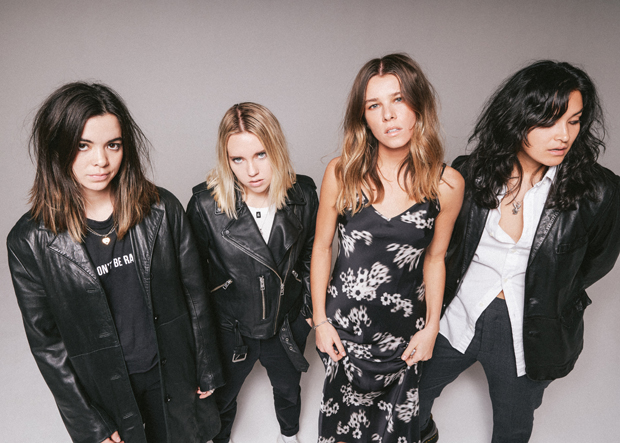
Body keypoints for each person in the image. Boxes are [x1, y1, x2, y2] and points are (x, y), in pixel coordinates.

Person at [7, 82, 223, 443]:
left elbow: (195, 295)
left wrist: (208, 368)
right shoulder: (29, 242)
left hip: (172, 373)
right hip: (105, 392)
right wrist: (89, 422)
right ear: (56, 147)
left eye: (113, 145)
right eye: (83, 145)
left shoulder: (162, 210)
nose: (101, 161)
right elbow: (47, 345)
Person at [419, 61, 620, 443]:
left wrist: (552, 288)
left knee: (513, 429)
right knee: (408, 401)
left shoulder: (600, 192)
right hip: (457, 313)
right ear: (516, 119)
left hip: (529, 328)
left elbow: (596, 262)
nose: (564, 135)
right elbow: (445, 247)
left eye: (574, 121)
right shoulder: (471, 173)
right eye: (550, 121)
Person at [311, 53, 464, 443]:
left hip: (404, 336)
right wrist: (321, 321)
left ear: (419, 106)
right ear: (363, 117)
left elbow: (435, 259)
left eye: (399, 100)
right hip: (344, 332)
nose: (389, 115)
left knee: (396, 433)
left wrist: (432, 328)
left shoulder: (447, 184)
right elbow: (322, 248)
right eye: (374, 106)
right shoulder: (341, 172)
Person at [186, 102, 318, 443]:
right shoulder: (205, 206)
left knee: (288, 390)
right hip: (231, 328)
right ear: (225, 159)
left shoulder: (303, 195)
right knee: (222, 399)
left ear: (277, 149)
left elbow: (312, 254)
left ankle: (289, 436)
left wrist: (306, 313)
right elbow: (192, 279)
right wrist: (202, 344)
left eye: (261, 154)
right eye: (238, 159)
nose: (252, 171)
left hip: (284, 323)